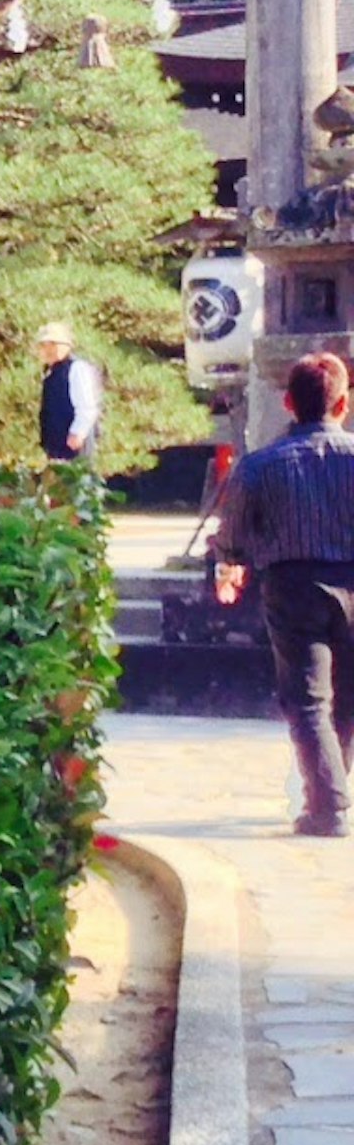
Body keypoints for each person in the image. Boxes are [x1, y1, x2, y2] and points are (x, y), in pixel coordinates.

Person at [215, 351, 354, 833]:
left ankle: (328, 805)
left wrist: (230, 564)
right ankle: (329, 790)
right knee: (347, 696)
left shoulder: (259, 466)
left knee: (308, 698)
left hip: (294, 586)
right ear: (344, 404)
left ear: (289, 403)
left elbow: (233, 531)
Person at [35, 323, 104, 467]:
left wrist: (77, 433)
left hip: (74, 445)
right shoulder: (52, 372)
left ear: (66, 345)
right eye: (44, 345)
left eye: (53, 344)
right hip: (57, 446)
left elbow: (87, 406)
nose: (48, 350)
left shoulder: (77, 368)